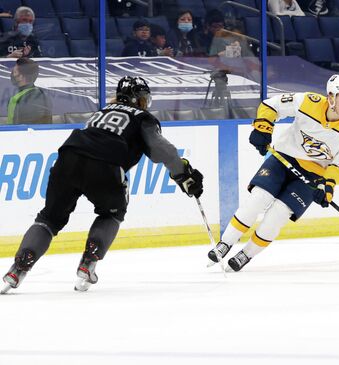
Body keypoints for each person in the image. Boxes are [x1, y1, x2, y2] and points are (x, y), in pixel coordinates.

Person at [1, 76, 204, 293]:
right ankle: (89, 262)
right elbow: (164, 151)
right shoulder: (143, 117)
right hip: (105, 165)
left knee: (49, 219)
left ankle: (18, 267)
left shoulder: (102, 111)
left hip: (67, 158)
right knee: (112, 213)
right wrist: (184, 174)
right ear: (138, 99)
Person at [207, 74, 339, 272]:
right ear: (331, 97)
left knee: (278, 215)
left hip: (313, 176)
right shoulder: (309, 102)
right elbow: (272, 105)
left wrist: (328, 185)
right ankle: (225, 243)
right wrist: (263, 127)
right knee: (258, 199)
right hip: (284, 159)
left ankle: (246, 254)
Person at [7, 57, 52, 124]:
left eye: (14, 72)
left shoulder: (27, 99)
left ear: (21, 77)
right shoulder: (40, 94)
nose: (12, 74)